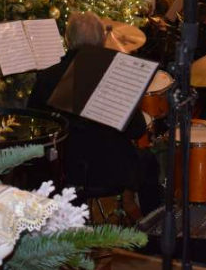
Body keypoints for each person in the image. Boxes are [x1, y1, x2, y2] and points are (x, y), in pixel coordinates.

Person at [28, 13, 162, 213]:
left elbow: (35, 123)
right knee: (149, 160)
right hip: (110, 169)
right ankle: (153, 232)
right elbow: (137, 129)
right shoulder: (115, 75)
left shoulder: (48, 76)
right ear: (102, 40)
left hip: (63, 169)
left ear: (68, 40)